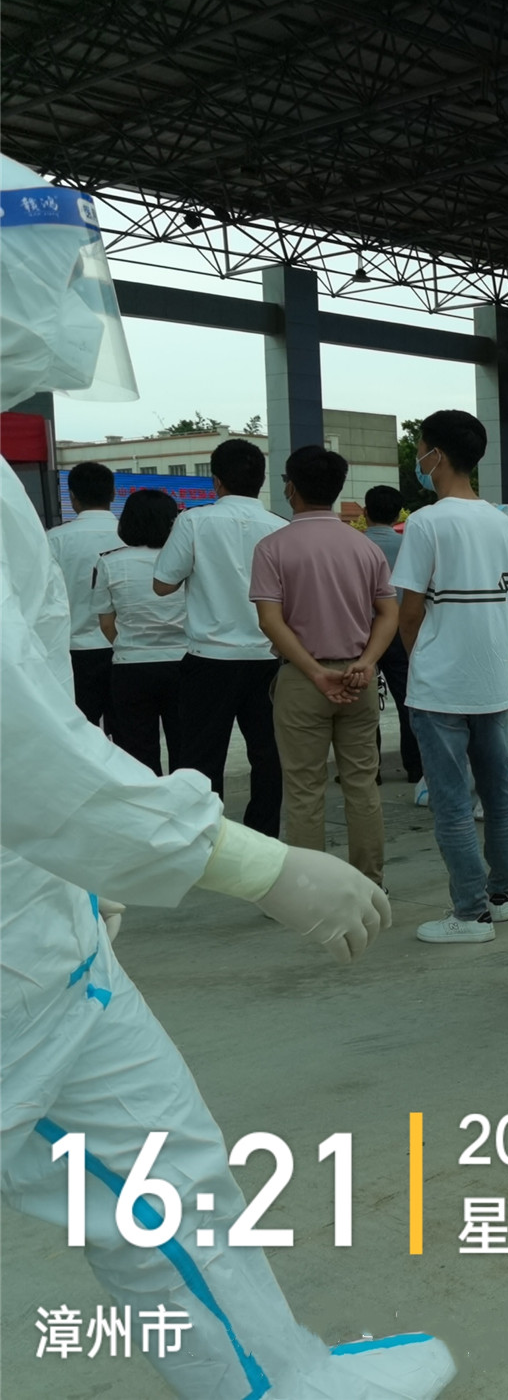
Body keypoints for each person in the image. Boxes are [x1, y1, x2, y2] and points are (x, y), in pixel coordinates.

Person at [0, 150, 452, 1399]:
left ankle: (272, 1375)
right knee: (151, 1175)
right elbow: (17, 749)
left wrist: (104, 867)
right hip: (18, 939)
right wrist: (250, 864)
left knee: (165, 1170)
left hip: (46, 921)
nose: (71, 315)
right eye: (50, 278)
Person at [391, 410, 508, 943]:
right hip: (493, 681)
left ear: (437, 456)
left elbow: (409, 612)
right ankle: (503, 894)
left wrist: (422, 659)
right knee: (498, 793)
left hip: (441, 685)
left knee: (452, 804)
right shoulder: (505, 523)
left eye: (421, 451)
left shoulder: (427, 522)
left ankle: (470, 915)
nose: (420, 461)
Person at [250, 445, 399, 887]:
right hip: (358, 679)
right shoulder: (364, 547)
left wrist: (315, 672)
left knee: (304, 790)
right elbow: (388, 613)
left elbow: (270, 620)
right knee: (362, 786)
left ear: (290, 488)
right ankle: (370, 883)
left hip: (302, 679)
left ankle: (311, 890)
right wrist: (367, 663)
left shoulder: (272, 547)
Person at [150, 437, 286, 834]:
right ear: (261, 480)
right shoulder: (280, 527)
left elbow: (163, 584)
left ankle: (204, 832)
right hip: (267, 656)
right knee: (268, 753)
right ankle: (263, 832)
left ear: (216, 481)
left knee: (201, 754)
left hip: (210, 658)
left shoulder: (194, 521)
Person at [90, 487, 188, 774]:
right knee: (186, 747)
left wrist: (129, 644)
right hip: (184, 663)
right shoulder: (186, 560)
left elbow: (106, 624)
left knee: (137, 751)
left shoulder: (108, 561)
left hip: (131, 667)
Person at [47, 458, 120, 728]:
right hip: (124, 649)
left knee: (80, 731)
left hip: (74, 652)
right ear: (113, 494)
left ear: (72, 497)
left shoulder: (54, 539)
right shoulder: (131, 535)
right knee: (128, 736)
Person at [361, 483, 421, 782]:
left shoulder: (354, 546)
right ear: (398, 515)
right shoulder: (409, 547)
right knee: (408, 700)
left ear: (365, 512)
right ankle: (416, 767)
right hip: (401, 630)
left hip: (362, 634)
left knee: (363, 704)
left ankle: (368, 769)